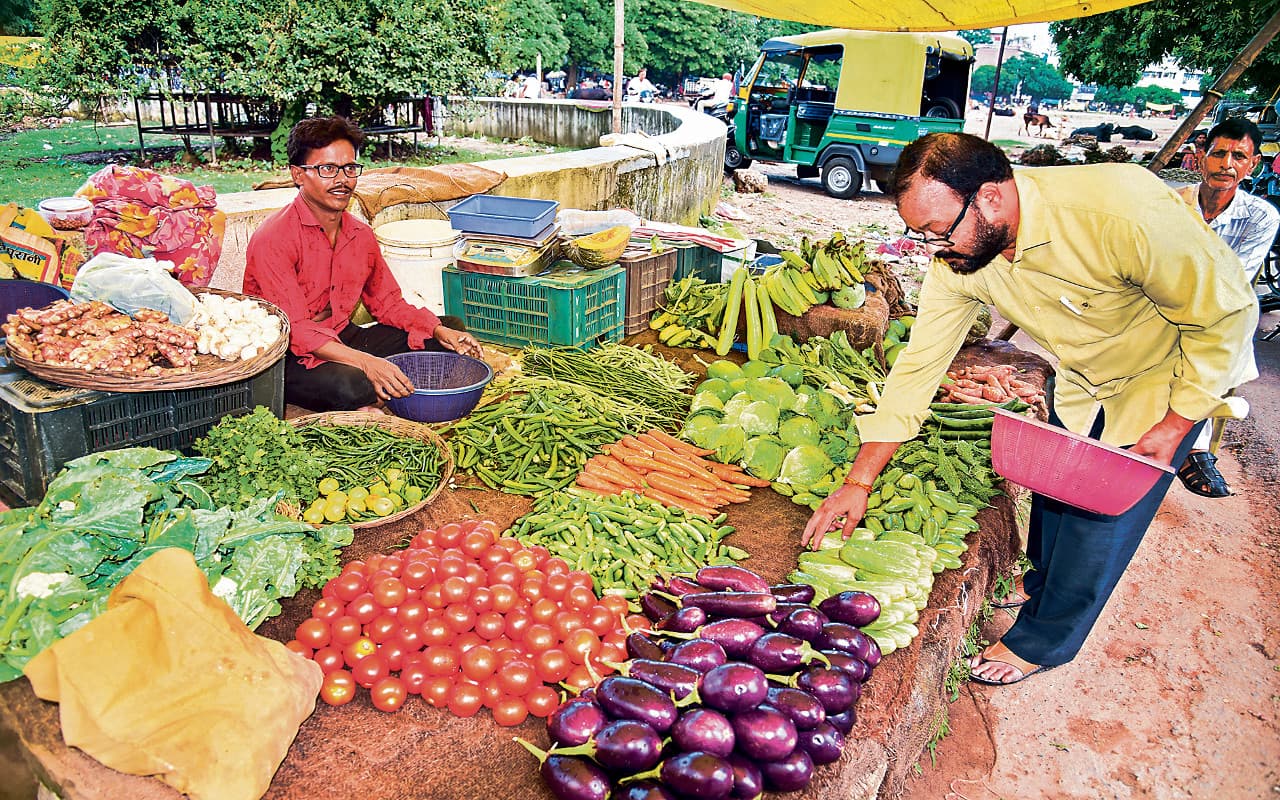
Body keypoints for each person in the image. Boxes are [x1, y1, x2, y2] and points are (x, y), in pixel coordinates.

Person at [801, 132, 1258, 686]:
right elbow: (918, 367)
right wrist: (860, 480)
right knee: (1056, 496)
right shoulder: (962, 259)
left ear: (990, 198)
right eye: (920, 235)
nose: (934, 248)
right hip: (1083, 377)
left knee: (1098, 524)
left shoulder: (1118, 207)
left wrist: (1175, 425)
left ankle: (1043, 641)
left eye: (938, 231)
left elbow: (1226, 315)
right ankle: (1037, 582)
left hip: (1165, 379)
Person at [244, 116, 483, 412]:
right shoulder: (273, 238)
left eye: (349, 168)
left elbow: (388, 304)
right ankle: (372, 388)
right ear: (298, 174)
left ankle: (381, 385)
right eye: (327, 169)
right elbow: (296, 330)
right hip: (285, 353)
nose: (342, 180)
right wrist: (368, 364)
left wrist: (435, 330)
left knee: (447, 331)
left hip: (341, 335)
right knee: (354, 385)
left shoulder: (360, 234)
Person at [1173, 116, 1280, 498]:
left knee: (1219, 339)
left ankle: (1194, 445)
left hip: (1218, 310)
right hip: (1165, 300)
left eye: (1238, 156)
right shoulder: (1172, 203)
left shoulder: (1261, 216)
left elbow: (1235, 278)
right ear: (1202, 156)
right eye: (1219, 154)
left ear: (1253, 165)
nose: (1226, 165)